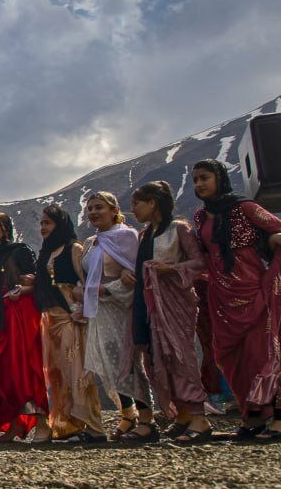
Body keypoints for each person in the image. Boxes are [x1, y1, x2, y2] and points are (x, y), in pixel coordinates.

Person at [191, 158, 281, 438]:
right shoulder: (201, 217)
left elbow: (278, 229)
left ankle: (277, 418)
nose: (199, 184)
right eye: (195, 180)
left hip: (255, 291)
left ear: (219, 178)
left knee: (263, 354)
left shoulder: (245, 208)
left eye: (204, 178)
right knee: (231, 357)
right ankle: (252, 416)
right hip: (221, 297)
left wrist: (273, 241)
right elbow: (204, 257)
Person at [128, 181, 211, 443]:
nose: (134, 210)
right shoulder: (144, 235)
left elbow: (199, 262)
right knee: (158, 359)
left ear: (153, 202)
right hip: (150, 304)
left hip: (175, 303)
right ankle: (182, 414)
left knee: (180, 356)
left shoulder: (179, 229)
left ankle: (200, 417)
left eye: (137, 204)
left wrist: (170, 269)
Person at [76, 192, 155, 442]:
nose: (93, 213)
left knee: (127, 363)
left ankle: (147, 420)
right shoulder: (91, 242)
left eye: (99, 207)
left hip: (121, 308)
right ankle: (127, 414)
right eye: (90, 209)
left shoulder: (127, 237)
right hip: (99, 312)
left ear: (114, 210)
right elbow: (89, 276)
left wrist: (107, 289)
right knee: (108, 363)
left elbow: (134, 275)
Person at [0, 211, 49, 443]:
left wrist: (22, 290)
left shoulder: (19, 251)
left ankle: (42, 422)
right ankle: (17, 422)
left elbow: (37, 281)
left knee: (25, 366)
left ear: (5, 229)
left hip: (18, 313)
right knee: (4, 371)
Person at [34, 205, 104, 442]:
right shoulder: (46, 253)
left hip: (70, 318)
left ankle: (91, 426)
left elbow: (86, 282)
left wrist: (82, 310)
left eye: (48, 223)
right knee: (58, 374)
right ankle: (67, 425)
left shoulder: (74, 249)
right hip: (51, 320)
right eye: (42, 223)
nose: (44, 228)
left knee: (77, 371)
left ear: (60, 225)